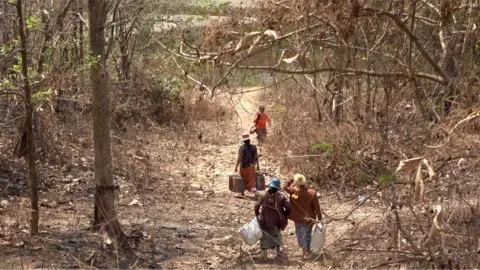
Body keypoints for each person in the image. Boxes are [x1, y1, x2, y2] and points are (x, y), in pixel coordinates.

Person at [283, 173, 322, 260]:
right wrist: (320, 218)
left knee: (301, 235)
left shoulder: (293, 191)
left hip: (299, 219)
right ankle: (307, 250)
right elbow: (317, 207)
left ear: (296, 183)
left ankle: (305, 253)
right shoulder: (312, 193)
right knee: (307, 234)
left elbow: (285, 187)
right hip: (310, 219)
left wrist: (291, 179)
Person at [254, 178, 291, 260]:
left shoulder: (263, 196)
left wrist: (257, 215)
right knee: (277, 236)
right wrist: (285, 215)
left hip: (265, 221)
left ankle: (265, 255)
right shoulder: (281, 197)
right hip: (276, 222)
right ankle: (278, 254)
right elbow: (288, 208)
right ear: (278, 188)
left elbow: (256, 206)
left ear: (270, 186)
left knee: (264, 238)